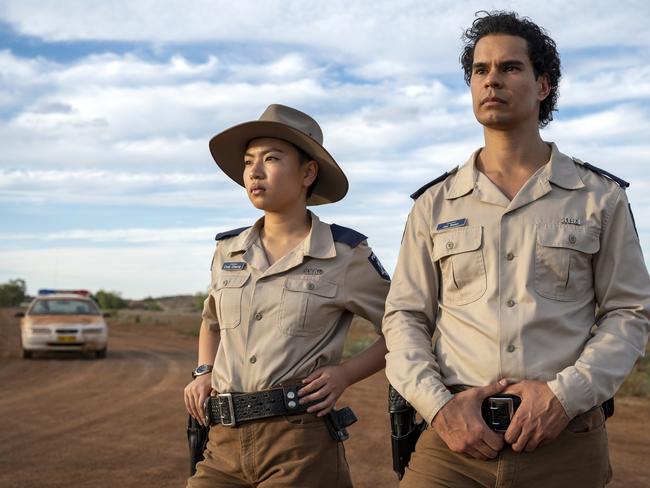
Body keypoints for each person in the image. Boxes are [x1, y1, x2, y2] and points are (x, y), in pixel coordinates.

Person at [382, 10, 650, 487]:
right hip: (453, 441)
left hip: (563, 436)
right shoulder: (433, 204)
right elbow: (404, 318)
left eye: (509, 68)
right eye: (480, 71)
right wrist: (439, 408)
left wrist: (564, 397)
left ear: (543, 84)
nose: (491, 80)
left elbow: (628, 311)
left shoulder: (599, 197)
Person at [184, 104, 391, 487]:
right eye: (248, 162)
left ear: (308, 173)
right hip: (223, 442)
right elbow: (211, 323)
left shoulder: (345, 254)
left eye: (272, 159)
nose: (254, 172)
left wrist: (345, 374)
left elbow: (405, 328)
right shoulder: (228, 251)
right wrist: (203, 371)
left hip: (299, 444)